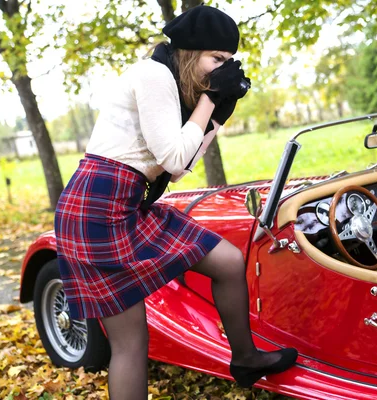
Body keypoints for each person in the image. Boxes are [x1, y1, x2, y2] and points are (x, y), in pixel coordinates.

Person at [54, 5, 298, 400]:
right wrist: (209, 100)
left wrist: (217, 113)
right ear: (189, 52)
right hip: (96, 206)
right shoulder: (153, 75)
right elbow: (171, 158)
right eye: (216, 59)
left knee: (228, 261)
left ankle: (246, 358)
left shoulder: (172, 84)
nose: (224, 69)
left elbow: (180, 166)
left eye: (230, 62)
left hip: (125, 202)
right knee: (131, 343)